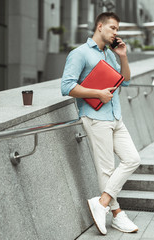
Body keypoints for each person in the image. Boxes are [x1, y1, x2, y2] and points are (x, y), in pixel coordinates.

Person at [61, 12, 141, 235]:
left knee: (133, 159)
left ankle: (103, 202)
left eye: (117, 29)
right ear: (100, 26)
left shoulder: (110, 54)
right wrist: (97, 92)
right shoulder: (80, 53)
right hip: (95, 117)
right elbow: (66, 86)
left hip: (115, 116)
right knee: (106, 169)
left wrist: (123, 56)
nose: (116, 33)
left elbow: (125, 80)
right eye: (113, 28)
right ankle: (117, 215)